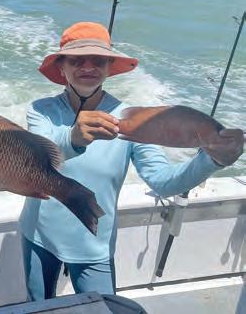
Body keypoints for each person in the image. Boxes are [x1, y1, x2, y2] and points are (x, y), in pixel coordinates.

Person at [18, 21, 244, 300]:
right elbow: (37, 157)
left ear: (109, 68)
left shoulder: (132, 121)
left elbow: (163, 182)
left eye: (98, 60)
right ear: (61, 67)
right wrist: (73, 137)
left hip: (94, 244)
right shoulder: (41, 111)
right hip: (39, 235)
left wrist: (211, 159)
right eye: (76, 60)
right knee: (37, 306)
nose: (88, 66)